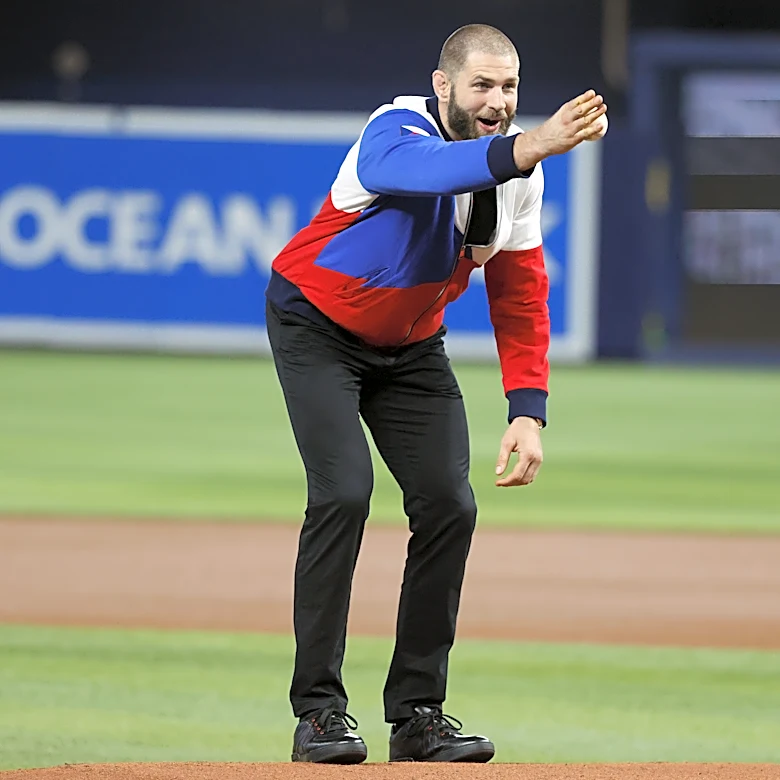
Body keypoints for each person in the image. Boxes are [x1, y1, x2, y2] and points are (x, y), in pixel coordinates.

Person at [265, 22, 607, 765]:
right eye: (482, 84)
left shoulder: (522, 168)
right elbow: (417, 173)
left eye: (510, 86)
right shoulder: (396, 127)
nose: (498, 100)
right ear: (444, 84)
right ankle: (319, 713)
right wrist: (529, 146)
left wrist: (528, 410)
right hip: (314, 325)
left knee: (450, 505)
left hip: (412, 348)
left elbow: (519, 292)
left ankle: (418, 715)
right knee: (344, 493)